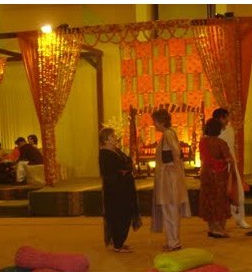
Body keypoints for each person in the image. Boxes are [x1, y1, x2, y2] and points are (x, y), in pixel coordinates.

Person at [150, 108, 191, 251]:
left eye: (155, 122)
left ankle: (173, 242)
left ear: (161, 122)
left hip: (169, 179)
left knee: (170, 211)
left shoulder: (168, 134)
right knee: (170, 211)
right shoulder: (169, 133)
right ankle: (172, 241)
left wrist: (170, 166)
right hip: (170, 178)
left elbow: (175, 153)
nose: (154, 125)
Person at [98, 128, 142, 253]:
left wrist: (127, 168)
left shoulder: (116, 150)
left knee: (126, 213)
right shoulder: (105, 154)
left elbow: (128, 162)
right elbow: (113, 171)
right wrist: (125, 169)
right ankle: (118, 244)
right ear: (106, 140)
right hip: (116, 191)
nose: (115, 138)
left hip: (125, 188)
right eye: (112, 136)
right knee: (118, 215)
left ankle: (120, 241)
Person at [213, 107, 251, 229]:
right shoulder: (213, 132)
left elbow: (232, 148)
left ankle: (240, 219)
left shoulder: (230, 130)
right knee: (220, 195)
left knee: (237, 192)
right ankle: (218, 222)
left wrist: (234, 163)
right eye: (225, 118)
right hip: (219, 167)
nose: (227, 120)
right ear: (219, 118)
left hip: (231, 165)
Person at [199, 118, 233, 238]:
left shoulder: (203, 142)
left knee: (209, 199)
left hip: (206, 174)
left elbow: (204, 158)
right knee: (220, 200)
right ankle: (219, 229)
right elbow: (228, 159)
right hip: (219, 176)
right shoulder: (221, 143)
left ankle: (212, 227)